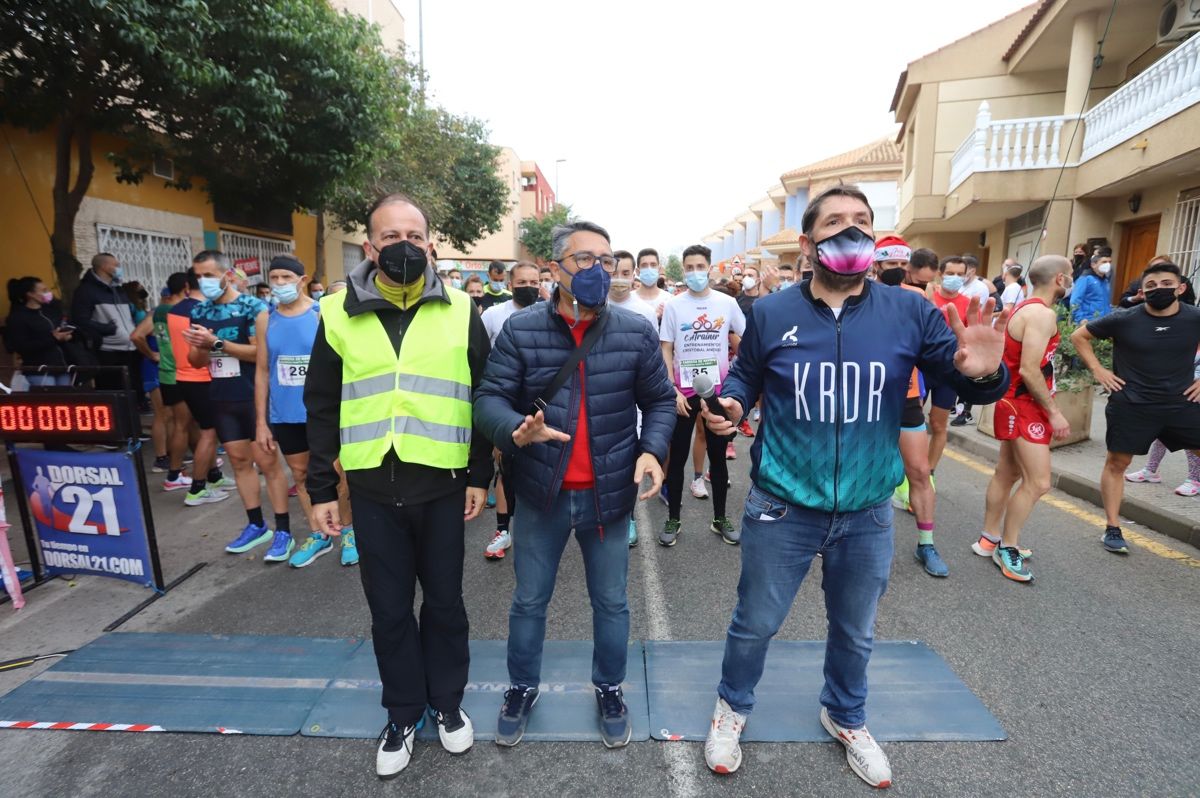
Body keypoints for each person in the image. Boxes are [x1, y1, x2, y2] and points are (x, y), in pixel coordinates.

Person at [698, 185, 1010, 786]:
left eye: (862, 221)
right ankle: (732, 709)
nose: (852, 231)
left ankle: (845, 714)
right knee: (756, 621)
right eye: (836, 221)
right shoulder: (771, 313)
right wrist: (731, 408)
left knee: (855, 629)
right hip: (781, 505)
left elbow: (963, 381)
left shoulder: (909, 311)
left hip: (866, 509)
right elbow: (744, 378)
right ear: (810, 242)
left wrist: (987, 370)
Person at [305, 194, 492, 778]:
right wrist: (318, 490)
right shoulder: (336, 312)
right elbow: (320, 405)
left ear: (431, 243)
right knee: (388, 612)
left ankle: (448, 705)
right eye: (390, 236)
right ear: (370, 247)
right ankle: (404, 712)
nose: (403, 245)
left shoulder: (463, 309)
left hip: (442, 485)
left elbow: (484, 397)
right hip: (372, 491)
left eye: (414, 234)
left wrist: (480, 475)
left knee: (444, 605)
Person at [473, 220, 674, 749]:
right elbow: (489, 398)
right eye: (584, 259)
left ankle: (609, 687)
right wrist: (514, 430)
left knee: (611, 602)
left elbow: (658, 400)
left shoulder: (634, 331)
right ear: (555, 267)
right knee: (529, 600)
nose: (597, 270)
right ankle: (521, 686)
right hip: (542, 493)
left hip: (609, 497)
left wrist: (652, 449)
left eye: (605, 261)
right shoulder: (521, 330)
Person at [1071, 260, 1200, 554]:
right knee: (1117, 464)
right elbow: (1079, 337)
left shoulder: (1194, 318)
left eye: (1166, 284)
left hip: (1181, 403)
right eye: (1151, 286)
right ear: (1142, 292)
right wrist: (1098, 370)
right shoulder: (1124, 319)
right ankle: (1112, 528)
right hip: (1132, 405)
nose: (1159, 290)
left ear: (1180, 288)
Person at [182, 251, 292, 561]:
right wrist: (202, 346)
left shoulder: (254, 307)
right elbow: (195, 361)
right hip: (221, 396)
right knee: (239, 463)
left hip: (254, 396)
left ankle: (283, 529)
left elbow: (261, 355)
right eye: (198, 276)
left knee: (267, 463)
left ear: (227, 275)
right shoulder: (200, 311)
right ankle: (256, 525)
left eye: (208, 275)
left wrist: (217, 343)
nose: (203, 282)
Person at [253, 254, 358, 569]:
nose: (280, 284)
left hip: (324, 413)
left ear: (302, 280)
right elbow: (262, 371)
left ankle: (349, 531)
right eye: (275, 278)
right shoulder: (265, 319)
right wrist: (261, 421)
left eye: (287, 277)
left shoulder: (320, 314)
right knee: (300, 476)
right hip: (285, 414)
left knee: (337, 473)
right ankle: (318, 534)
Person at [979, 256, 1074, 581]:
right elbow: (1030, 370)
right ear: (1060, 279)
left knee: (1007, 473)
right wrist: (1054, 412)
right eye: (1071, 275)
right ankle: (1009, 547)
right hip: (1025, 405)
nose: (1073, 280)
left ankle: (989, 539)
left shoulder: (1025, 307)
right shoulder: (1041, 314)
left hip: (1014, 402)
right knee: (1039, 482)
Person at [659, 244, 746, 546]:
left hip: (717, 395)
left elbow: (744, 339)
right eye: (689, 267)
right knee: (678, 456)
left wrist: (738, 381)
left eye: (700, 266)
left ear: (709, 268)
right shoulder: (674, 305)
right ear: (683, 270)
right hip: (683, 393)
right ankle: (673, 518)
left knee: (719, 459)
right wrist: (671, 389)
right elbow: (666, 348)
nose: (695, 272)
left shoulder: (726, 303)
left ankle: (720, 518)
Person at [876, 240, 947, 578]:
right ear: (875, 267)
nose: (895, 271)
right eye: (888, 264)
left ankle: (926, 544)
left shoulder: (917, 300)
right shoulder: (852, 300)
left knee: (919, 471)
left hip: (905, 399)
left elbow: (935, 351)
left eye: (900, 265)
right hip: (866, 400)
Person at [481, 261, 543, 560]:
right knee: (505, 465)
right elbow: (480, 356)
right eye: (522, 282)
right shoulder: (494, 315)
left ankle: (538, 529)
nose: (529, 287)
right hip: (505, 402)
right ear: (511, 282)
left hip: (541, 403)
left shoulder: (549, 314)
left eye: (534, 282)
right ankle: (503, 530)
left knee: (539, 466)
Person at [168, 268, 232, 504]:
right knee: (209, 433)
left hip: (182, 376)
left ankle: (213, 475)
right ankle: (197, 489)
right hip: (202, 377)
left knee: (199, 429)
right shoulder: (200, 312)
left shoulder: (175, 310)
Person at [132, 275, 186, 477]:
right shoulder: (157, 313)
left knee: (172, 415)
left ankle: (173, 455)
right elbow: (136, 336)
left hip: (169, 366)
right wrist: (151, 354)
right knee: (162, 414)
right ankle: (161, 457)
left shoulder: (172, 313)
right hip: (156, 368)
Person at [925, 255, 972, 479]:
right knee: (907, 423)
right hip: (922, 368)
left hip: (949, 371)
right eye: (950, 273)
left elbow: (973, 339)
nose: (955, 278)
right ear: (940, 274)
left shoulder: (969, 304)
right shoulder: (926, 296)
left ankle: (928, 473)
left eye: (960, 274)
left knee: (938, 424)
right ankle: (903, 473)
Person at [71, 253, 138, 391]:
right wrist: (107, 329)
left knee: (131, 391)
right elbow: (80, 320)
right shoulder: (86, 291)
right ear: (104, 266)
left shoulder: (118, 289)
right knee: (113, 391)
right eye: (116, 265)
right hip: (107, 351)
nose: (119, 268)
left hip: (130, 348)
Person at [5, 277, 73, 387]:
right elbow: (21, 346)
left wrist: (65, 336)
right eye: (44, 290)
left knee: (65, 402)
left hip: (62, 367)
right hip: (39, 370)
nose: (48, 293)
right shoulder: (18, 317)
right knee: (47, 402)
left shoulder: (50, 311)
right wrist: (53, 338)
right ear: (30, 294)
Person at [606, 251, 658, 328]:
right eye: (614, 274)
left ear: (633, 277)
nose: (619, 279)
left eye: (625, 274)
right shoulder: (593, 309)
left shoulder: (647, 312)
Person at [1070, 254, 1113, 323]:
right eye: (1104, 262)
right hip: (1088, 321)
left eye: (1110, 262)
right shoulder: (1085, 279)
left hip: (1104, 321)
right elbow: (1075, 301)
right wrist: (1080, 319)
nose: (1108, 264)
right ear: (1093, 265)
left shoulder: (1105, 281)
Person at [634, 248, 672, 322]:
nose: (649, 269)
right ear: (637, 271)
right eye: (644, 265)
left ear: (659, 268)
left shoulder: (669, 300)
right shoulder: (628, 300)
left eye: (653, 265)